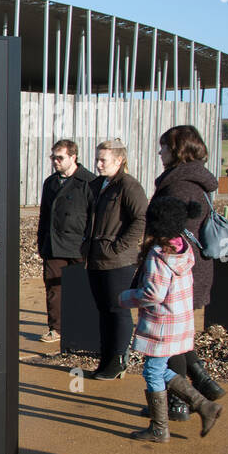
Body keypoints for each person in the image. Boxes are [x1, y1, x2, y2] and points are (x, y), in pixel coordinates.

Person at [119, 196, 222, 441]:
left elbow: (153, 294)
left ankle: (160, 429)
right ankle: (204, 405)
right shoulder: (183, 246)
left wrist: (126, 297)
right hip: (180, 322)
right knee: (156, 368)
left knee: (153, 372)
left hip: (162, 324)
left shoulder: (159, 254)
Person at [151, 125, 227, 414]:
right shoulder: (197, 180)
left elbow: (168, 230)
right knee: (180, 334)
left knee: (169, 339)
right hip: (195, 268)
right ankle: (203, 382)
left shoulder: (179, 184)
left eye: (165, 147)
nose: (161, 152)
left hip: (177, 270)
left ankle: (179, 402)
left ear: (178, 149)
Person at [82, 140, 147, 380]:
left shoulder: (128, 186)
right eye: (97, 159)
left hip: (118, 261)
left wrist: (118, 247)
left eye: (103, 160)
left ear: (119, 161)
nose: (98, 164)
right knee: (103, 311)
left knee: (117, 310)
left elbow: (141, 219)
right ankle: (106, 357)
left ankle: (119, 358)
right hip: (95, 258)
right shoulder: (98, 185)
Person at [37, 140, 95, 342]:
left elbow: (94, 217)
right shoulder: (51, 182)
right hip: (54, 244)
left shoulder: (89, 182)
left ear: (73, 157)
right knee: (54, 288)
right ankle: (56, 328)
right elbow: (44, 216)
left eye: (60, 157)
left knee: (81, 288)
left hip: (79, 245)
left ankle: (81, 329)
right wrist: (41, 242)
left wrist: (91, 246)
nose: (55, 161)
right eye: (53, 157)